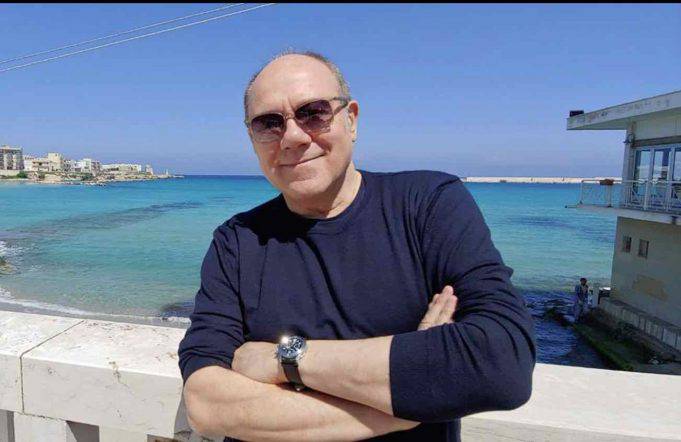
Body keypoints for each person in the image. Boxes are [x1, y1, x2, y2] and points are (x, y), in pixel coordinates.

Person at [177, 51, 536, 441]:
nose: (293, 137)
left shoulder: (427, 204)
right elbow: (207, 404)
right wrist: (407, 404)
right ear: (252, 138)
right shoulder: (237, 240)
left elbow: (501, 364)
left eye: (313, 113)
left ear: (351, 119)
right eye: (269, 123)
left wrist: (282, 359)